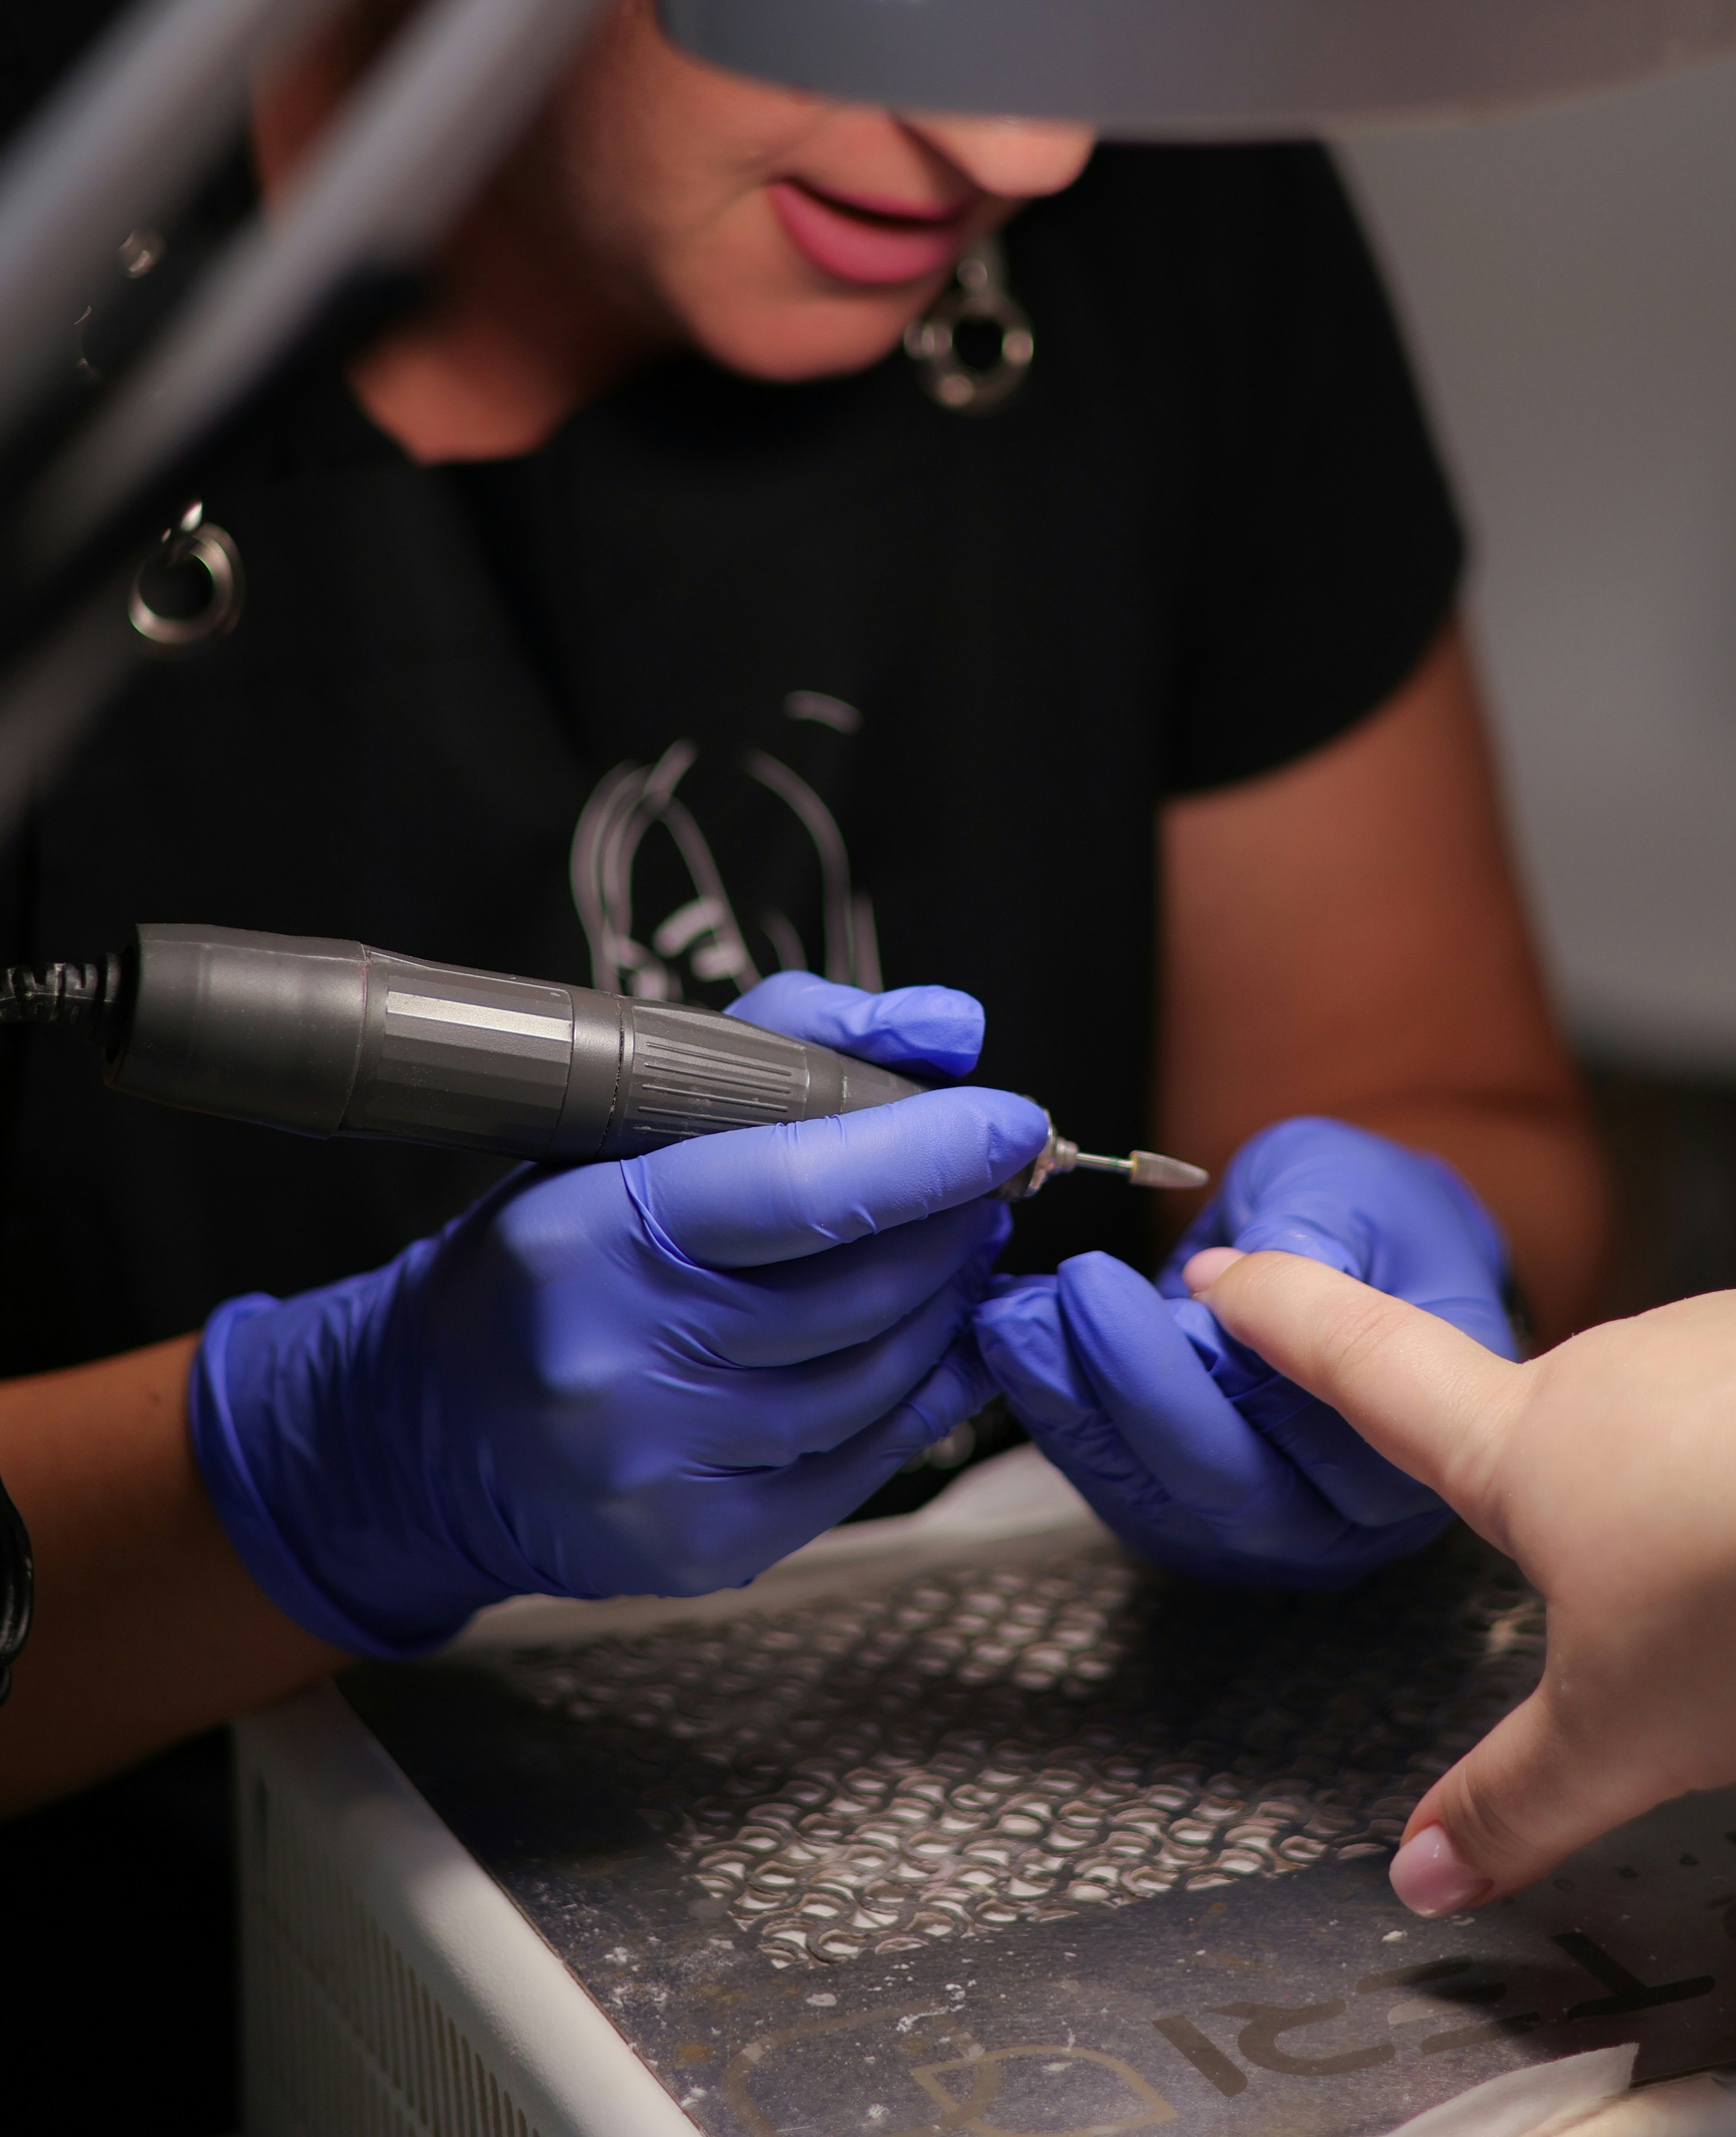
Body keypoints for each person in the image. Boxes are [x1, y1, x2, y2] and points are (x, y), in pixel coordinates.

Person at [0, 0, 1607, 2119]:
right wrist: (304, 1472)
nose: (1033, 150)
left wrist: (1402, 1356)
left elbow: (1479, 1118)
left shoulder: (1182, 208)